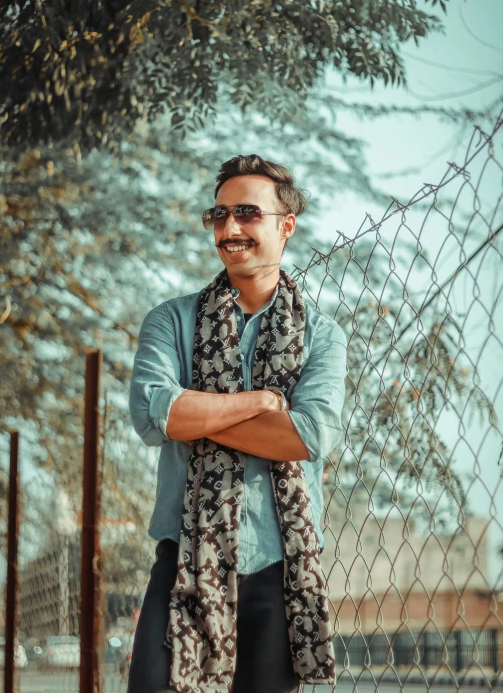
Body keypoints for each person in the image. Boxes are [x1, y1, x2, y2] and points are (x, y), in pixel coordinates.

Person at [128, 154, 347, 693]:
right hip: (185, 557)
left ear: (285, 225)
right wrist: (261, 402)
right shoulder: (170, 320)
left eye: (247, 214)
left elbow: (305, 437)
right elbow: (156, 413)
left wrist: (194, 415)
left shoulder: (323, 335)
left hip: (281, 566)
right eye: (219, 215)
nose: (230, 229)